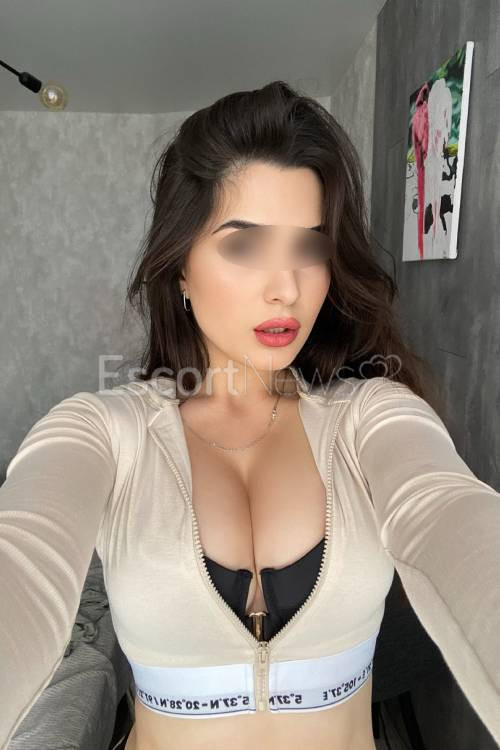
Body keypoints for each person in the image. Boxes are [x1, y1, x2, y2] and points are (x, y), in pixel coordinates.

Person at [1, 81, 499, 750]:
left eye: (310, 248)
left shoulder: (370, 417)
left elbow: (450, 514)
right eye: (243, 246)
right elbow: (22, 560)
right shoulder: (103, 431)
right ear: (180, 267)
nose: (286, 287)